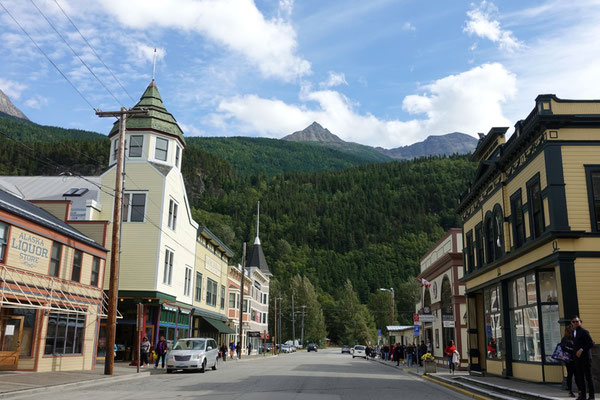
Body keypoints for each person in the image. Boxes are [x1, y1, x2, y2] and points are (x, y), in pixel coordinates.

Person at [572, 316, 595, 400]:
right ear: (571, 323)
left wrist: (582, 349)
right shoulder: (573, 332)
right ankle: (583, 396)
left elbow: (591, 343)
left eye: (577, 321)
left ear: (580, 322)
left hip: (585, 358)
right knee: (580, 377)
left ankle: (591, 396)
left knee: (588, 377)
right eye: (573, 322)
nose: (575, 323)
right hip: (578, 359)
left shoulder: (584, 332)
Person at [561, 325, 576, 398]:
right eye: (571, 331)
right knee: (570, 375)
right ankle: (570, 391)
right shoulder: (565, 339)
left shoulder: (574, 338)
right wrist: (573, 350)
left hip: (576, 359)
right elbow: (564, 348)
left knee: (577, 375)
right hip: (569, 360)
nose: (572, 332)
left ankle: (579, 390)